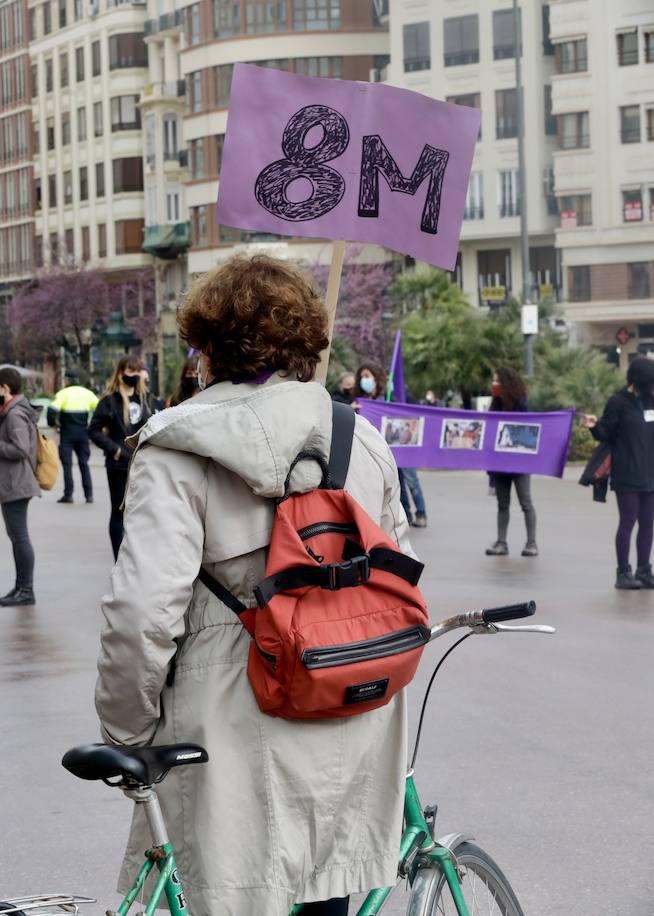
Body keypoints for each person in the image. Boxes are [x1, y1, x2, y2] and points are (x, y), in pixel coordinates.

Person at [95, 253, 411, 916]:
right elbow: (395, 586)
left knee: (233, 888)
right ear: (305, 340)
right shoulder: (363, 440)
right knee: (327, 890)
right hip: (345, 707)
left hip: (228, 725)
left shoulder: (175, 450)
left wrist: (128, 732)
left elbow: (143, 614)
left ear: (206, 346)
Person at [585, 356, 654, 589]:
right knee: (628, 521)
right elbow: (605, 431)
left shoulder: (650, 400)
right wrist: (594, 426)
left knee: (648, 522)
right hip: (627, 474)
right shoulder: (618, 402)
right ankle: (623, 573)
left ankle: (644, 570)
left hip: (650, 473)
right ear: (636, 380)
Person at [88, 356, 160, 559]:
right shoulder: (109, 401)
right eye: (130, 371)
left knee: (144, 513)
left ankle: (138, 560)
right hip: (119, 465)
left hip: (144, 464)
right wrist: (115, 450)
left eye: (138, 371)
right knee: (119, 512)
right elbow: (93, 430)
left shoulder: (147, 399)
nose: (134, 375)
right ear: (120, 373)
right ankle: (119, 560)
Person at [0, 366, 39, 606]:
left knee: (20, 537)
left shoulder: (15, 414)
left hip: (17, 481)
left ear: (5, 388)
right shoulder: (9, 410)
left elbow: (20, 449)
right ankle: (20, 587)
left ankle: (26, 589)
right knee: (16, 536)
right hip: (13, 481)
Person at [358, 364, 427, 529]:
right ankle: (406, 514)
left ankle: (421, 513)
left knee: (411, 480)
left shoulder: (393, 398)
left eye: (367, 376)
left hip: (402, 447)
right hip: (382, 449)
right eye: (362, 376)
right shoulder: (363, 400)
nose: (364, 380)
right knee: (397, 483)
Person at [486, 367, 538, 557]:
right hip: (500, 464)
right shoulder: (495, 404)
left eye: (497, 381)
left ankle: (531, 543)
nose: (494, 385)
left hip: (520, 463)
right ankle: (501, 543)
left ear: (506, 384)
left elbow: (527, 431)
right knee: (502, 504)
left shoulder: (521, 403)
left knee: (526, 502)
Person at [48, 370, 99, 504]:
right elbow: (100, 409)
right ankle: (89, 495)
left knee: (67, 465)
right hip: (83, 433)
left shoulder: (63, 394)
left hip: (67, 433)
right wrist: (94, 425)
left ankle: (68, 494)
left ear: (67, 380)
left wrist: (53, 423)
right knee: (84, 464)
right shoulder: (88, 394)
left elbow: (51, 410)